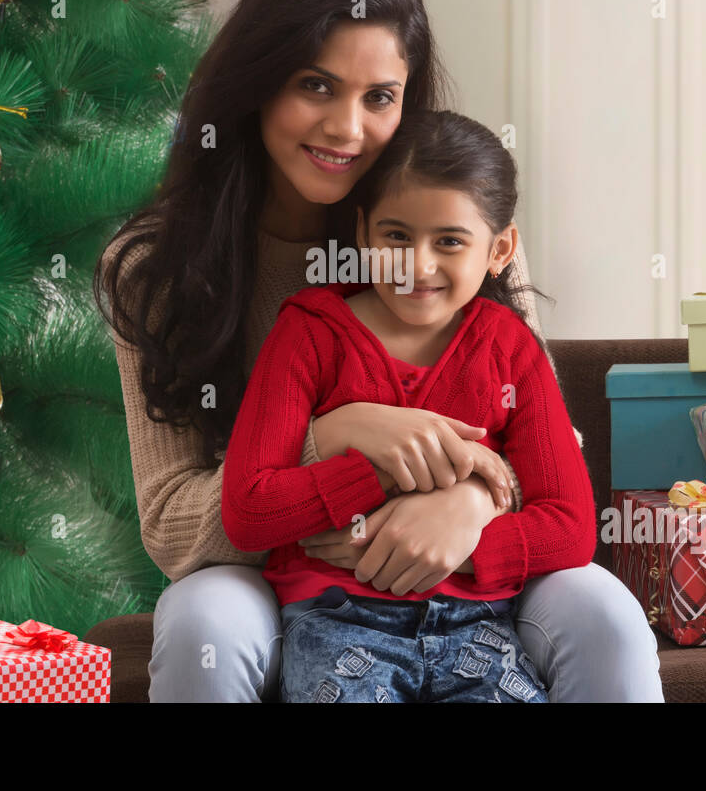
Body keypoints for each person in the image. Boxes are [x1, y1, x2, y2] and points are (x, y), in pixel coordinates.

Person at [96, 0, 663, 702]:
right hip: (277, 579)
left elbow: (552, 448)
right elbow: (171, 527)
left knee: (608, 616)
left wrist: (468, 506)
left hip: (470, 566)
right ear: (256, 85)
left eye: (379, 97)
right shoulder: (156, 270)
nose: (346, 127)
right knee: (204, 620)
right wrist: (338, 436)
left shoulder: (457, 243)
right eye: (315, 86)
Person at [221, 109, 596, 702]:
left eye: (449, 241)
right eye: (396, 236)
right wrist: (373, 472)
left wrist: (467, 541)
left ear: (500, 249)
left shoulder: (509, 345)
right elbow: (248, 510)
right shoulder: (308, 333)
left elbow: (571, 525)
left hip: (482, 626)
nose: (417, 266)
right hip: (337, 622)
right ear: (364, 232)